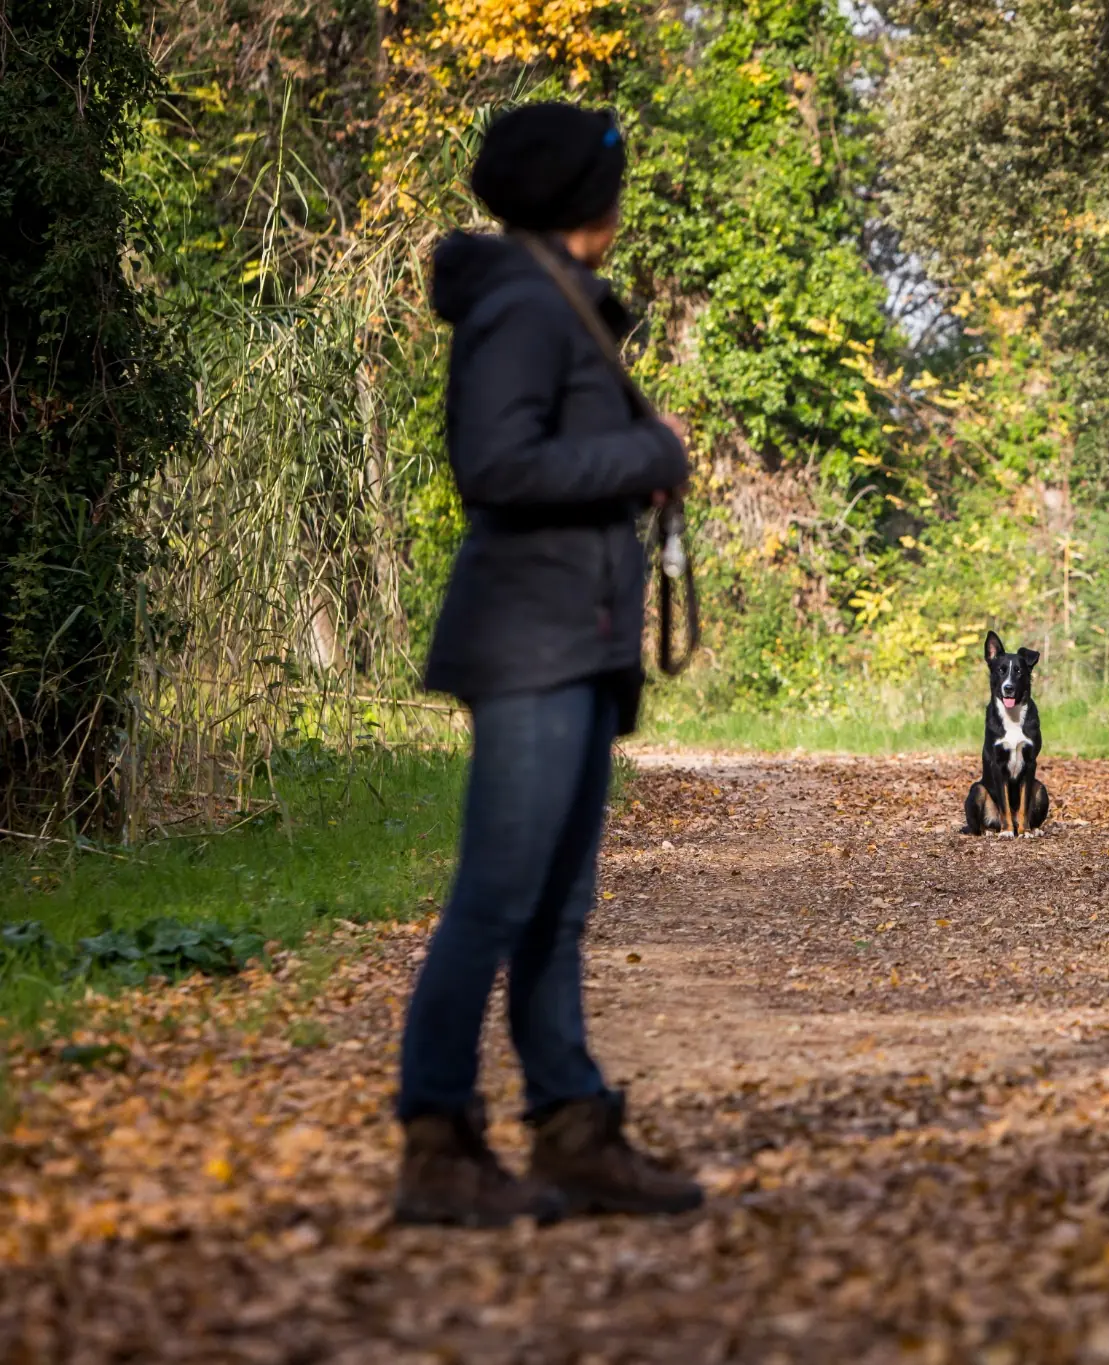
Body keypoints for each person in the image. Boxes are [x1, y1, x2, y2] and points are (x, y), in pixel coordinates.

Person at [393, 101, 703, 1226]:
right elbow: (495, 464)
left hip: (575, 635)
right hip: (531, 641)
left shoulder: (556, 298)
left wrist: (634, 460)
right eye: (614, 182)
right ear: (587, 196)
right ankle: (435, 1144)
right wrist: (647, 450)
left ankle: (572, 1130)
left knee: (557, 904)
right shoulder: (525, 305)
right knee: (497, 895)